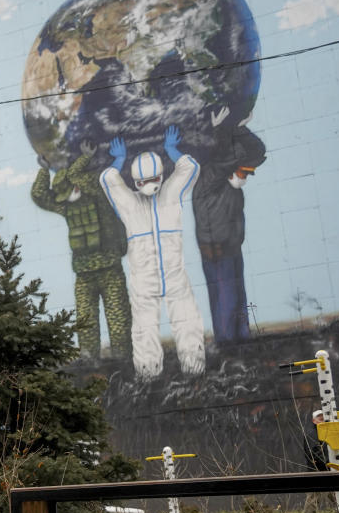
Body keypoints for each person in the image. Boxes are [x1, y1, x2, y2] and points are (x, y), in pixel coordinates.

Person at [99, 126, 205, 379]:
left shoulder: (171, 194)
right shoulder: (129, 204)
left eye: (154, 180)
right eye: (143, 182)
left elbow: (190, 167)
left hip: (175, 276)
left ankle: (194, 370)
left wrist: (172, 149)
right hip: (144, 280)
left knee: (188, 322)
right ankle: (148, 374)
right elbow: (108, 179)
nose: (149, 185)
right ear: (134, 182)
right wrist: (119, 160)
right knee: (144, 330)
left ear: (161, 177)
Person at [31, 141, 133, 361]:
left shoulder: (98, 195)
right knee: (85, 323)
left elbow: (84, 178)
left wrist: (84, 158)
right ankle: (90, 365)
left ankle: (123, 362)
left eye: (69, 191)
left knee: (118, 321)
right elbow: (39, 196)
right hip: (83, 274)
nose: (66, 198)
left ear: (76, 186)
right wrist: (44, 170)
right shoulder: (66, 205)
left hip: (110, 269)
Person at [191, 126, 266, 343]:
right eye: (243, 172)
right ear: (229, 169)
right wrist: (225, 127)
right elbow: (229, 156)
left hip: (232, 247)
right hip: (216, 250)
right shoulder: (208, 180)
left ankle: (241, 339)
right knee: (226, 300)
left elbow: (257, 152)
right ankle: (228, 345)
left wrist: (239, 127)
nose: (245, 177)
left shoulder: (230, 188)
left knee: (238, 298)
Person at [301, 409, 332, 513]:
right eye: (320, 418)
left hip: (324, 470)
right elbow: (314, 452)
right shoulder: (313, 433)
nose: (322, 420)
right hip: (317, 471)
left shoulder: (322, 433)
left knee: (338, 496)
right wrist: (328, 463)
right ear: (314, 420)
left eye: (324, 417)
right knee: (314, 498)